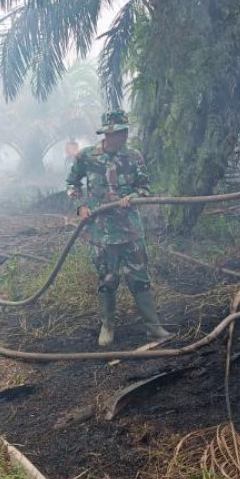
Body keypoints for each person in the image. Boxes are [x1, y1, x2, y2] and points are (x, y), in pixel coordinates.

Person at [65, 110, 171, 346]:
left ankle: (153, 327)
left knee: (140, 278)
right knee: (107, 280)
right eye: (118, 132)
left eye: (125, 131)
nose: (123, 136)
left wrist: (133, 196)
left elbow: (145, 188)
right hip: (101, 232)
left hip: (131, 230)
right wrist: (80, 205)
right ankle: (107, 327)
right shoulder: (87, 157)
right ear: (107, 133)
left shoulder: (134, 157)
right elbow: (72, 183)